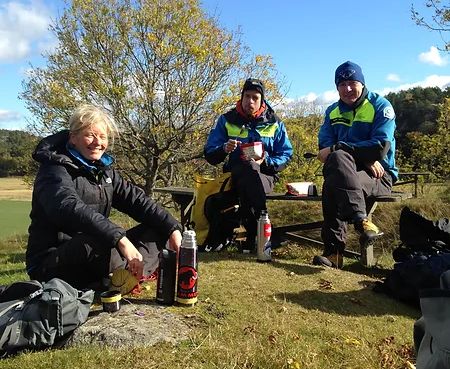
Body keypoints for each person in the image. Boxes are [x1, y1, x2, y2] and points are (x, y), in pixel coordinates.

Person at [26, 104, 182, 291]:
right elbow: (67, 207)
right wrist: (120, 239)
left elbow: (137, 202)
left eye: (102, 136)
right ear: (73, 137)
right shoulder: (53, 169)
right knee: (97, 239)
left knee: (159, 227)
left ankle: (129, 276)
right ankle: (124, 276)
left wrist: (173, 228)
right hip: (51, 260)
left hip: (93, 249)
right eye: (90, 135)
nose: (97, 142)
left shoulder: (103, 171)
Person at [313, 61, 398, 269]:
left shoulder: (381, 106)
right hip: (348, 171)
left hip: (380, 174)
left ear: (362, 84)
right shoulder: (332, 112)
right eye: (342, 85)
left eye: (352, 83)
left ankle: (334, 254)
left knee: (334, 179)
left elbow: (380, 148)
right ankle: (361, 221)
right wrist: (362, 157)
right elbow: (324, 150)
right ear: (336, 87)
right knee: (336, 166)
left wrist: (342, 147)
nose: (347, 89)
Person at [204, 78, 293, 251]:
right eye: (247, 96)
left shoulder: (274, 122)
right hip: (233, 178)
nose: (250, 101)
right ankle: (262, 235)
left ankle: (254, 236)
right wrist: (224, 149)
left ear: (262, 100)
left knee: (251, 172)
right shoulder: (227, 120)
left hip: (265, 176)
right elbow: (210, 154)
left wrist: (266, 161)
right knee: (245, 173)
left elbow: (286, 155)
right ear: (242, 96)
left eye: (255, 97)